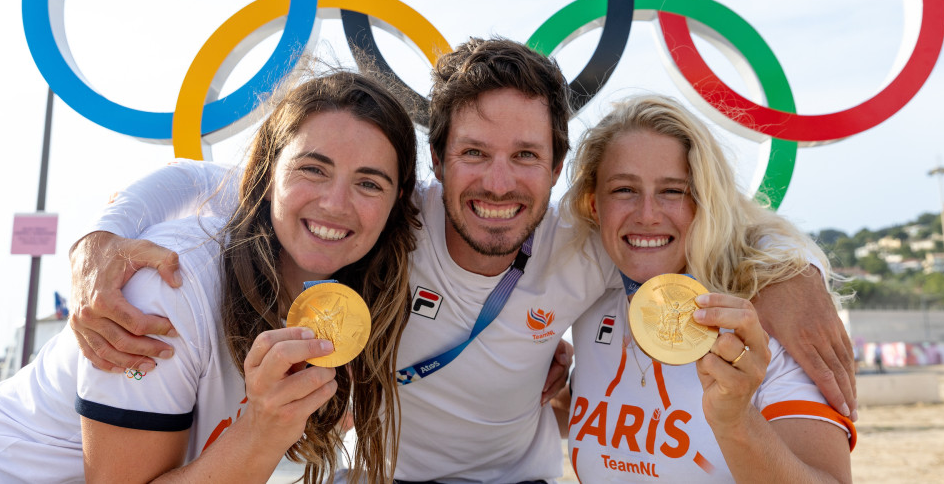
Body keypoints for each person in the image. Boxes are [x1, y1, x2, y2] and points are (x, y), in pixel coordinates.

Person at [67, 38, 856, 482]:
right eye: (474, 153)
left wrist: (796, 270)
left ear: (556, 171)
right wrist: (101, 234)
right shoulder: (378, 218)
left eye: (526, 156)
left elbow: (704, 223)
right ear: (436, 162)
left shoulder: (583, 242)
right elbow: (213, 183)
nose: (500, 183)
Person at [0, 67, 420, 483]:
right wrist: (261, 431)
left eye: (369, 183)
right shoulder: (169, 284)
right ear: (267, 174)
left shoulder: (353, 294)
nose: (335, 204)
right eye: (313, 169)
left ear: (397, 201)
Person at [558, 95, 854, 482]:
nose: (647, 215)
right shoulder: (591, 297)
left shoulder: (766, 326)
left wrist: (736, 421)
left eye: (673, 191)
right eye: (623, 190)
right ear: (593, 204)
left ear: (703, 202)